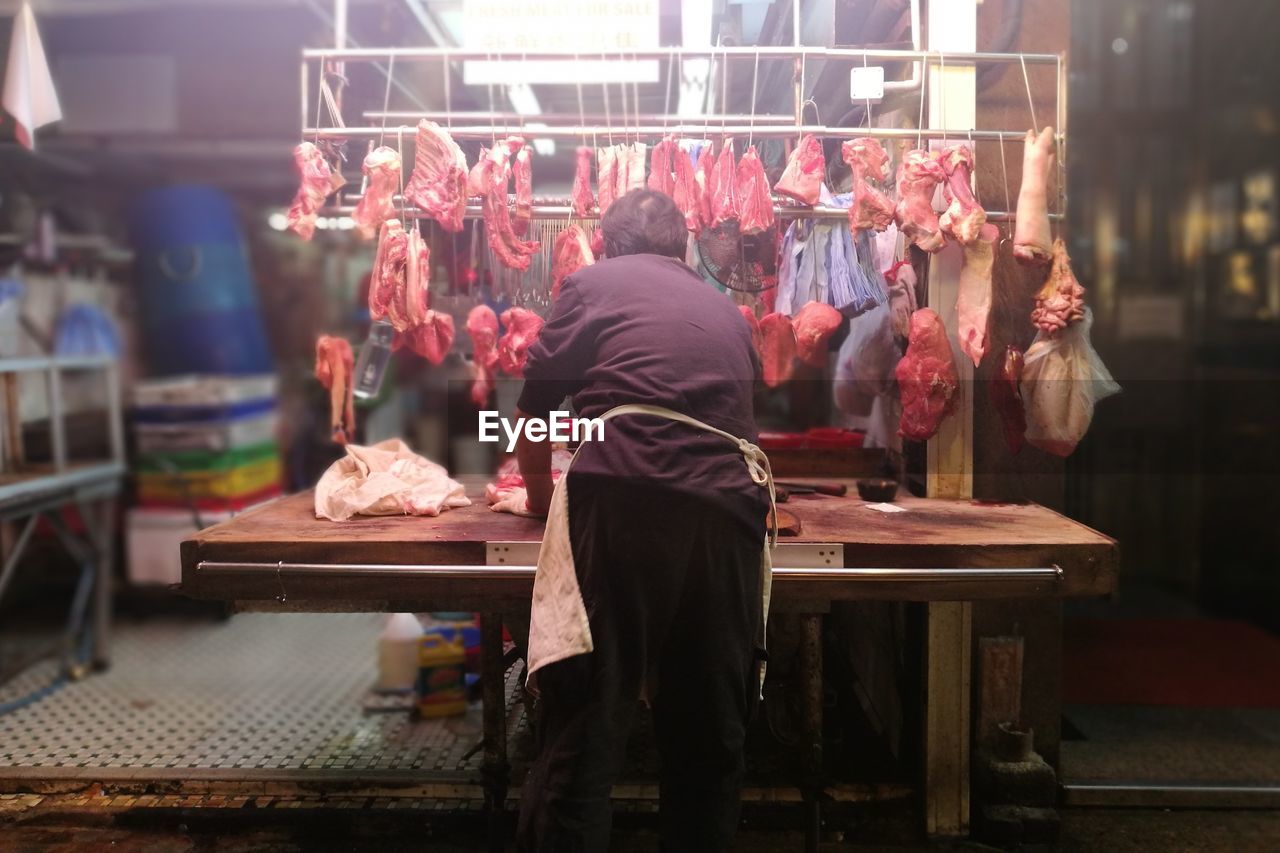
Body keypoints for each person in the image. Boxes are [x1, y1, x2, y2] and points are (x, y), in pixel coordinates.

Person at [493, 189, 774, 852]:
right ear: (681, 248)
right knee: (707, 731)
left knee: (587, 721)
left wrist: (535, 497)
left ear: (608, 245)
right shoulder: (725, 311)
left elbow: (535, 411)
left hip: (623, 500)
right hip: (730, 511)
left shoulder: (590, 285)